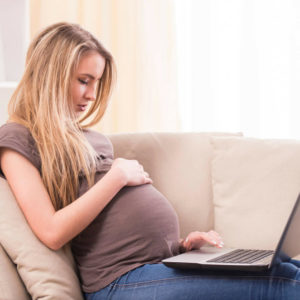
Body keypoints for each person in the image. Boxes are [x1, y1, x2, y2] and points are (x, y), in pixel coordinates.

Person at [0, 22, 299, 300]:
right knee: (284, 282)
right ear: (51, 75)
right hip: (119, 282)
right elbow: (51, 233)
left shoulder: (87, 137)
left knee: (289, 268)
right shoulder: (16, 139)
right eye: (83, 81)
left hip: (159, 266)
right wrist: (117, 176)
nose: (91, 95)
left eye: (96, 82)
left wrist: (181, 246)